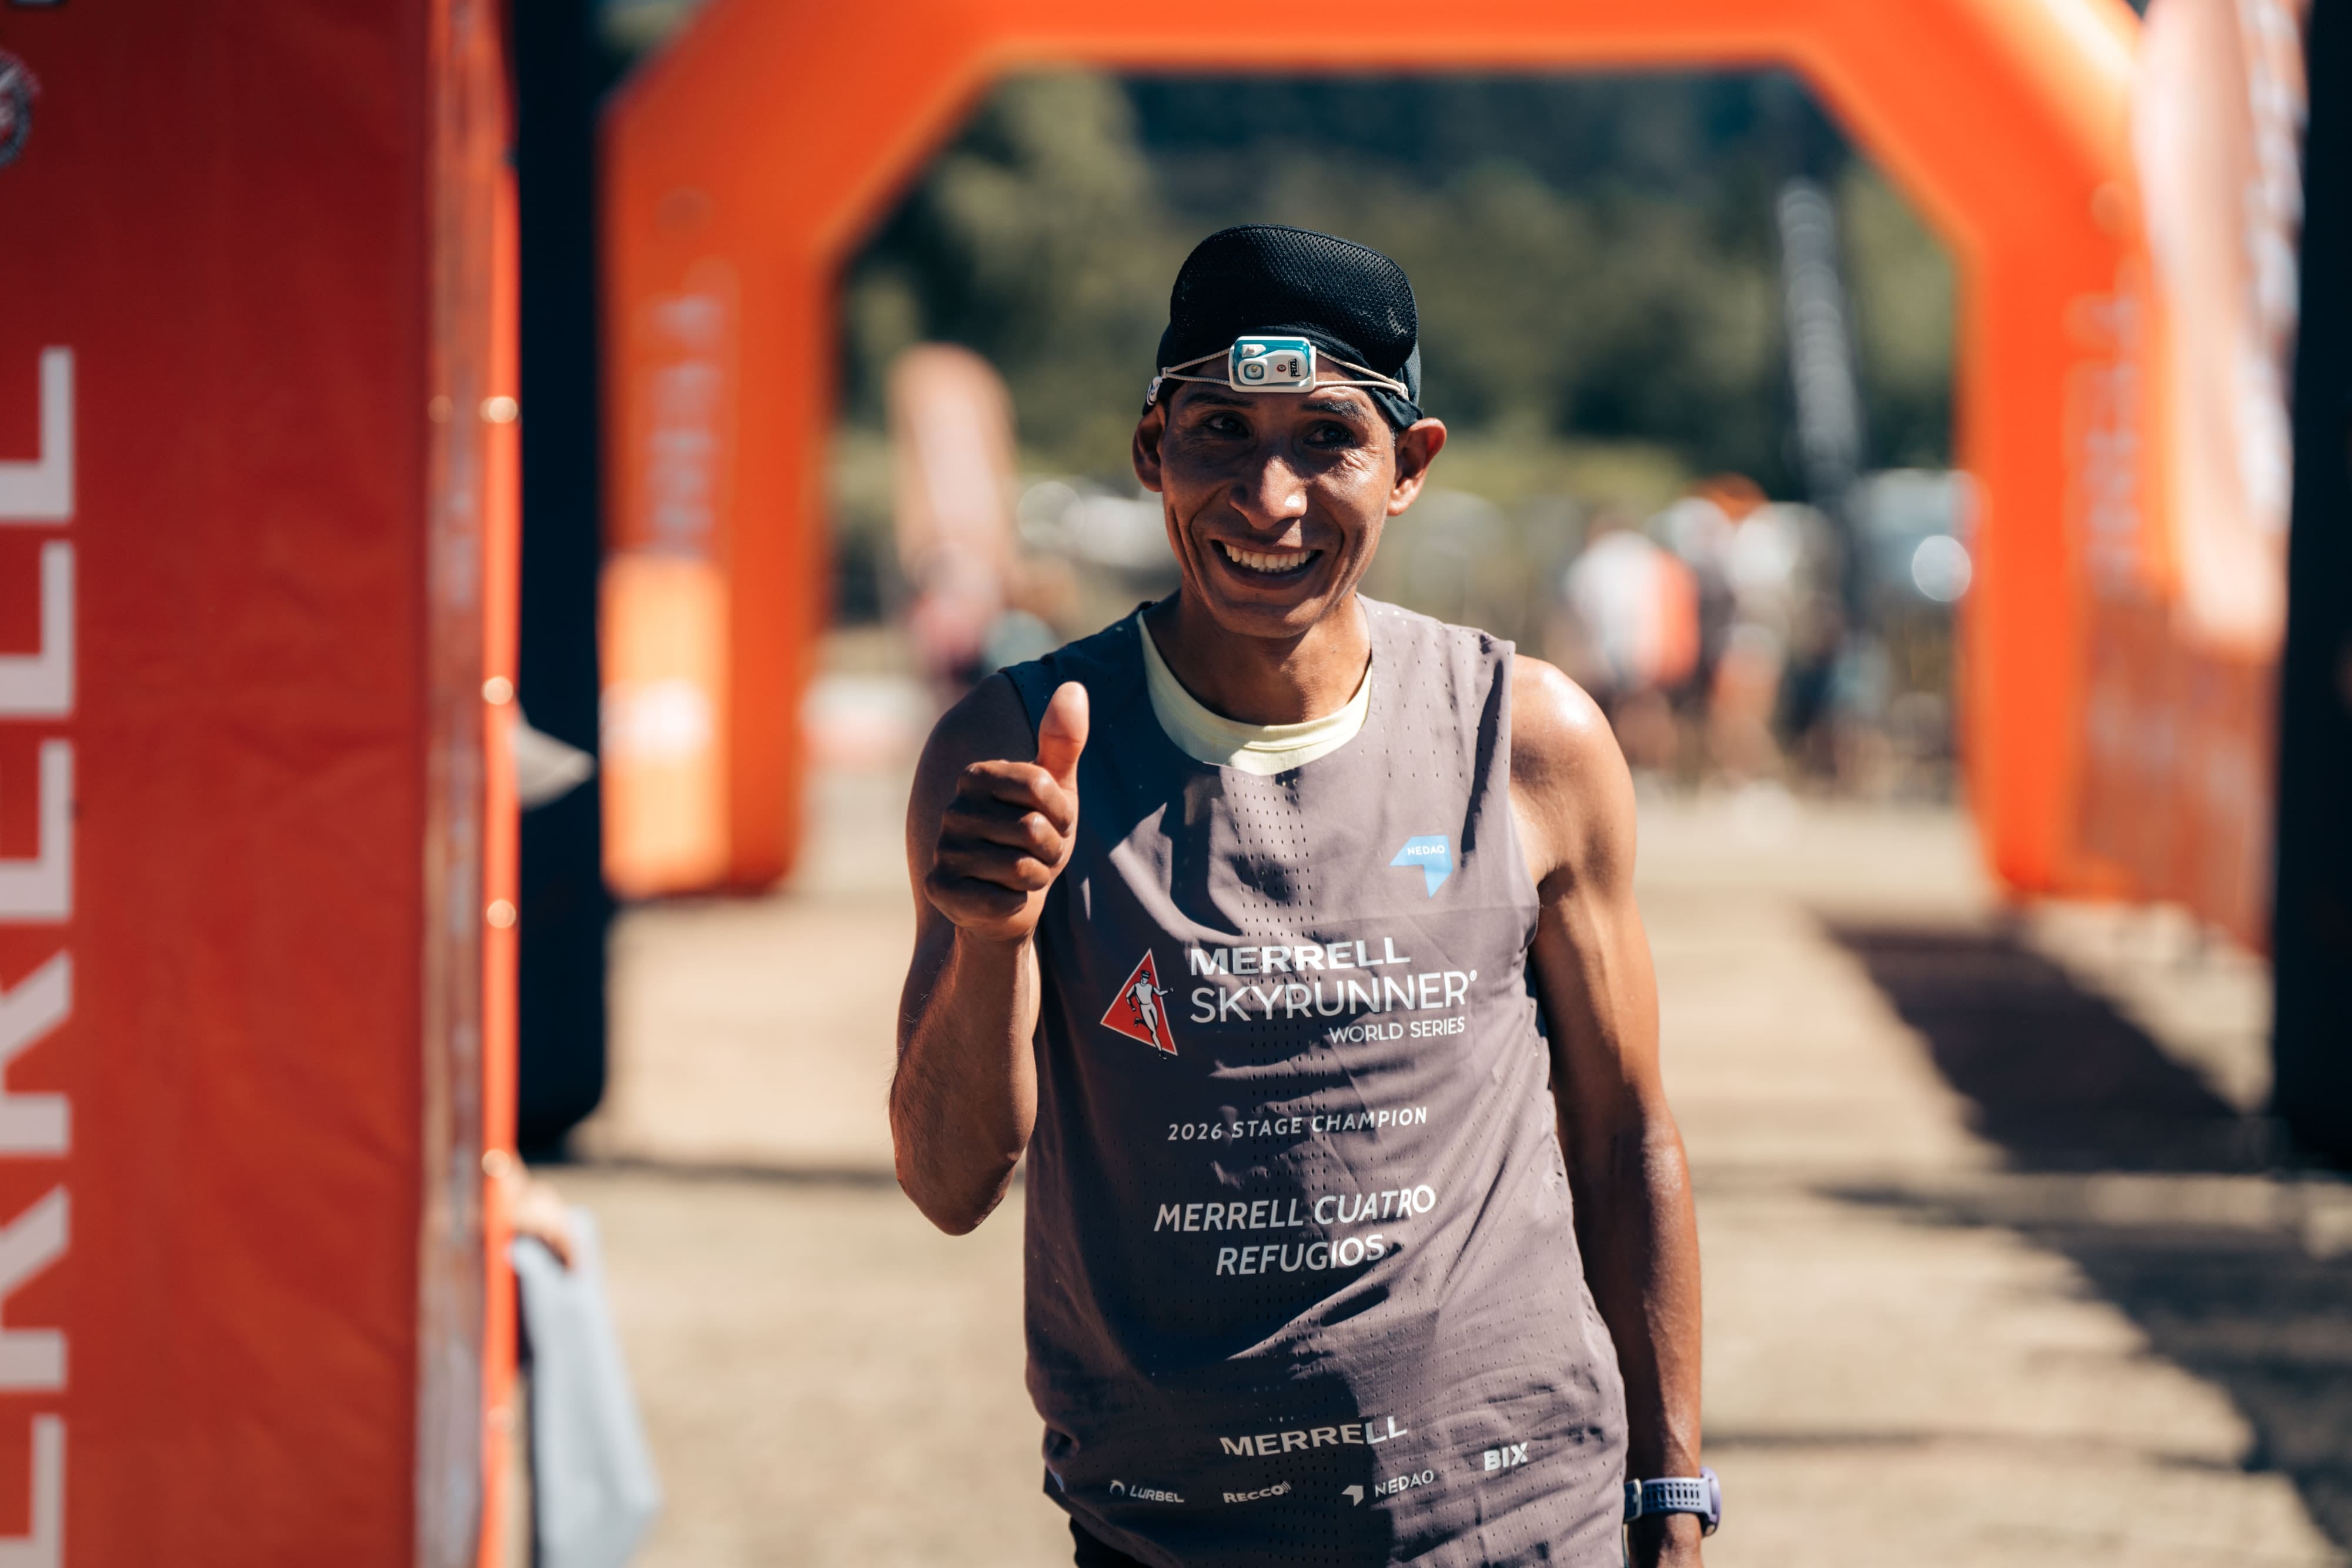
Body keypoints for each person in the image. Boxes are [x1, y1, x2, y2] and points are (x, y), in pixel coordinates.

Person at [892, 226, 1712, 1567]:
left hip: (1515, 1521)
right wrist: (993, 940)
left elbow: (1625, 1132)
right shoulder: (1019, 749)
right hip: (1169, 1535)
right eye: (1219, 430)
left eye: (1325, 438)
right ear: (1152, 450)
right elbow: (947, 1179)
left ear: (1409, 467)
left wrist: (1667, 1495)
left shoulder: (1530, 738)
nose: (1267, 499)